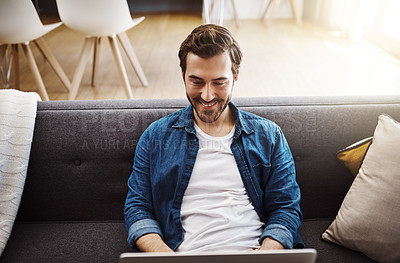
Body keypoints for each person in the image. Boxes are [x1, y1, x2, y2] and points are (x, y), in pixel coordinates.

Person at [124, 24, 303, 253]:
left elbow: (286, 208)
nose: (207, 95)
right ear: (183, 76)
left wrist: (267, 255)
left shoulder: (269, 136)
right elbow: (138, 208)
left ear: (235, 77)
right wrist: (164, 256)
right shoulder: (155, 137)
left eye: (219, 82)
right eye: (196, 81)